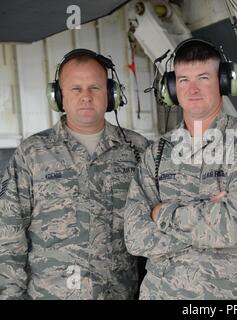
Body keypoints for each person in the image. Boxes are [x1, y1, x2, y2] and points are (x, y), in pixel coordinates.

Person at [123, 38, 237, 299]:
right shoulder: (156, 153)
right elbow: (135, 237)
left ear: (223, 82)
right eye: (183, 80)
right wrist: (209, 215)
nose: (192, 89)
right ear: (171, 87)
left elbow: (235, 227)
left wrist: (162, 213)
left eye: (203, 77)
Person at [0, 49, 148, 299]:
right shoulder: (32, 153)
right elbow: (8, 233)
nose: (86, 97)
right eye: (75, 89)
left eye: (95, 88)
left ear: (111, 94)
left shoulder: (137, 150)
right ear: (59, 97)